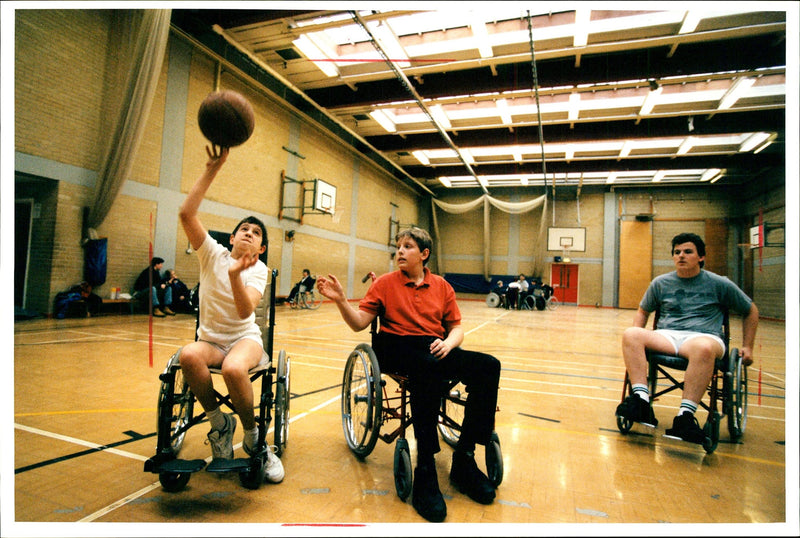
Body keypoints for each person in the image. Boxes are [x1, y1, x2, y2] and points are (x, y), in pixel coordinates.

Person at [317, 227, 501, 523]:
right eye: (398, 246)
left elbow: (456, 328)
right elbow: (359, 323)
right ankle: (425, 467)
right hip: (396, 347)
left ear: (424, 254)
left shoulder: (442, 286)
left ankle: (464, 459)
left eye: (407, 246)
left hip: (435, 346)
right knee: (426, 366)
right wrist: (340, 300)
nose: (400, 251)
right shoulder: (385, 285)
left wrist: (449, 342)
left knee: (489, 366)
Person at [176, 145, 283, 482]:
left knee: (234, 369)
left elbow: (244, 309)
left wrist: (237, 275)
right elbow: (186, 215)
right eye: (244, 229)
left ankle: (253, 439)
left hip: (243, 339)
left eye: (256, 232)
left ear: (261, 247)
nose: (249, 233)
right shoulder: (212, 254)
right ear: (233, 237)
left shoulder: (259, 269)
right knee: (188, 356)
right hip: (210, 339)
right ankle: (220, 424)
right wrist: (212, 169)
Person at [616, 232, 758, 444]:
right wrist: (639, 339)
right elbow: (643, 312)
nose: (681, 256)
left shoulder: (720, 284)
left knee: (703, 348)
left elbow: (750, 310)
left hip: (704, 337)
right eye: (677, 252)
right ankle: (641, 402)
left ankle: (685, 417)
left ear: (701, 257)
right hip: (667, 336)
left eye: (688, 252)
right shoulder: (660, 283)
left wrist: (748, 346)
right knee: (631, 334)